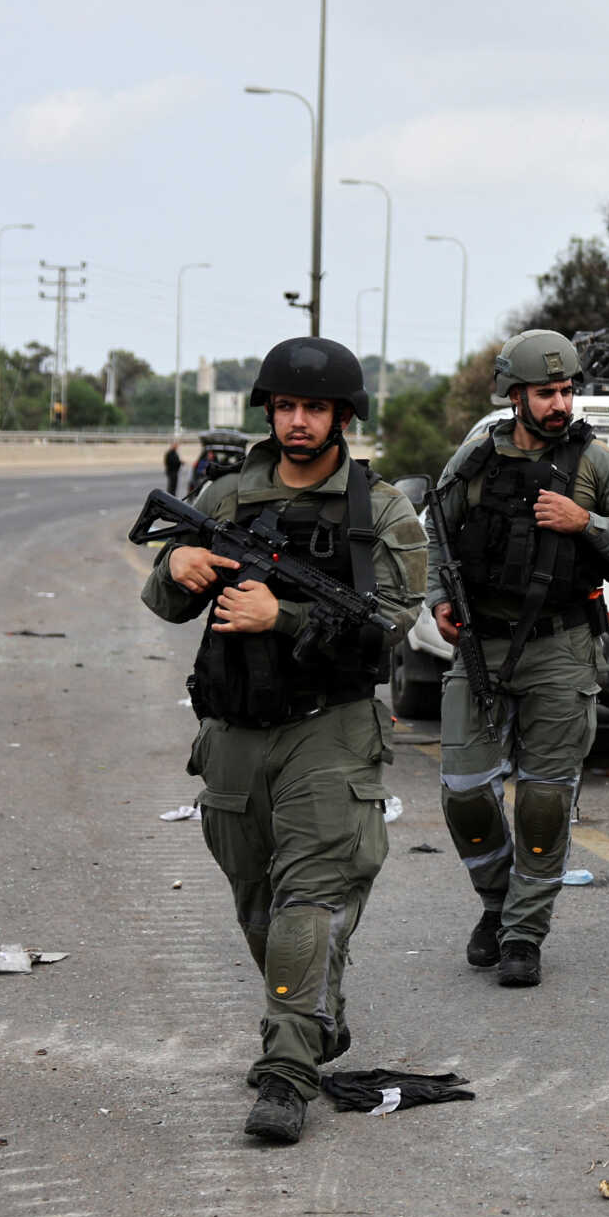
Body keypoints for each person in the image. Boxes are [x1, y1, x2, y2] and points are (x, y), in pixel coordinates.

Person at [138, 337, 427, 1144]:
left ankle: (287, 1072)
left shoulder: (381, 511)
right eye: (288, 407)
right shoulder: (227, 497)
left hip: (328, 728)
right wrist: (182, 563)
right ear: (269, 410)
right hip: (232, 728)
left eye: (317, 409)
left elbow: (393, 627)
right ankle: (311, 1013)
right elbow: (165, 603)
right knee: (258, 904)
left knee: (309, 898)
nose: (300, 422)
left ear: (342, 416)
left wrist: (286, 615)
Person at [431, 329, 609, 988]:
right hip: (481, 643)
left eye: (566, 390)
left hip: (562, 647)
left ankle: (524, 933)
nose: (559, 403)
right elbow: (437, 528)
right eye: (545, 392)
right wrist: (439, 600)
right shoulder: (476, 457)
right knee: (465, 793)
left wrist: (583, 523)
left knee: (542, 801)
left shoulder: (597, 464)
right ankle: (498, 903)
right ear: (514, 395)